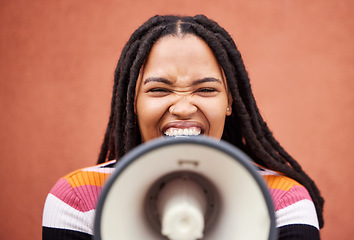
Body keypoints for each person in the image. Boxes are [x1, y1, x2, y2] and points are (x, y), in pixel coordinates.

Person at [42, 15, 324, 240]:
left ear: (230, 102)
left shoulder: (286, 203)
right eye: (159, 90)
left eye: (205, 89)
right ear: (132, 102)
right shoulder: (75, 197)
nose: (183, 107)